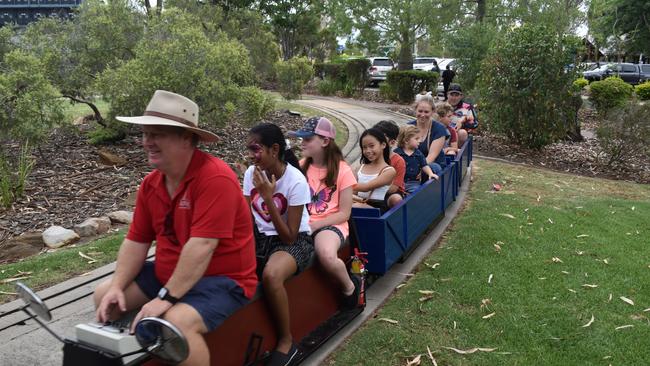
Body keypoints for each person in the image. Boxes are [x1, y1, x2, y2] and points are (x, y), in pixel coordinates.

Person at [93, 90, 257, 366]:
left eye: (157, 134)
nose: (147, 142)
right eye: (145, 134)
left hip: (223, 279)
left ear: (186, 138)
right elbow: (136, 241)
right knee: (104, 296)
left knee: (175, 323)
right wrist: (118, 286)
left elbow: (203, 246)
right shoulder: (150, 185)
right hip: (169, 274)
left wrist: (165, 298)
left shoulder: (215, 178)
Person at [243, 123, 313, 366]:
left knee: (272, 276)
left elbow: (290, 237)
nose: (251, 156)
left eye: (255, 149)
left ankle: (286, 341)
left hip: (295, 242)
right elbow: (246, 220)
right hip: (261, 240)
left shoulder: (296, 181)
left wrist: (267, 198)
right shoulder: (250, 173)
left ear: (274, 149)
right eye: (249, 149)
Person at [289, 116, 360, 310]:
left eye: (307, 139)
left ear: (325, 141)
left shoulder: (343, 171)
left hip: (330, 223)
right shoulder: (301, 166)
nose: (302, 143)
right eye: (301, 139)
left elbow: (344, 213)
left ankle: (349, 286)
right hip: (303, 220)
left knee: (326, 255)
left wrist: (314, 225)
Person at [353, 128, 396, 212]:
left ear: (383, 145)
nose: (368, 151)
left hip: (377, 210)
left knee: (356, 206)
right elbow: (353, 192)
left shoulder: (389, 171)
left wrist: (343, 184)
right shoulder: (359, 168)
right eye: (364, 147)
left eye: (371, 146)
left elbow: (366, 187)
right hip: (357, 203)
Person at [407, 94, 449, 176]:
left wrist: (418, 168)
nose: (422, 115)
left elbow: (431, 156)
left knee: (433, 167)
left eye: (426, 112)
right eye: (420, 111)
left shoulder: (439, 129)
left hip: (432, 164)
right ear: (415, 110)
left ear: (432, 112)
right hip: (412, 164)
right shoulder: (409, 127)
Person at [395, 125, 438, 194]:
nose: (420, 141)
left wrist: (430, 173)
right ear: (406, 140)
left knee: (417, 192)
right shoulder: (396, 153)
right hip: (398, 181)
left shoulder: (418, 153)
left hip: (413, 183)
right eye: (416, 139)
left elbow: (424, 165)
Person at [373, 120, 406, 208]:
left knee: (396, 199)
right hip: (369, 192)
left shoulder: (398, 161)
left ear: (391, 143)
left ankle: (396, 218)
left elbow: (394, 187)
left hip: (389, 193)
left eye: (380, 139)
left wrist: (370, 188)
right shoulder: (370, 157)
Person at [447, 84, 478, 148]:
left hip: (458, 134)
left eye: (457, 95)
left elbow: (475, 123)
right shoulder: (442, 106)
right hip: (444, 132)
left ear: (461, 96)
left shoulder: (467, 107)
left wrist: (463, 122)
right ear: (447, 95)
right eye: (451, 95)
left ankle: (456, 155)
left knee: (462, 133)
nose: (454, 98)